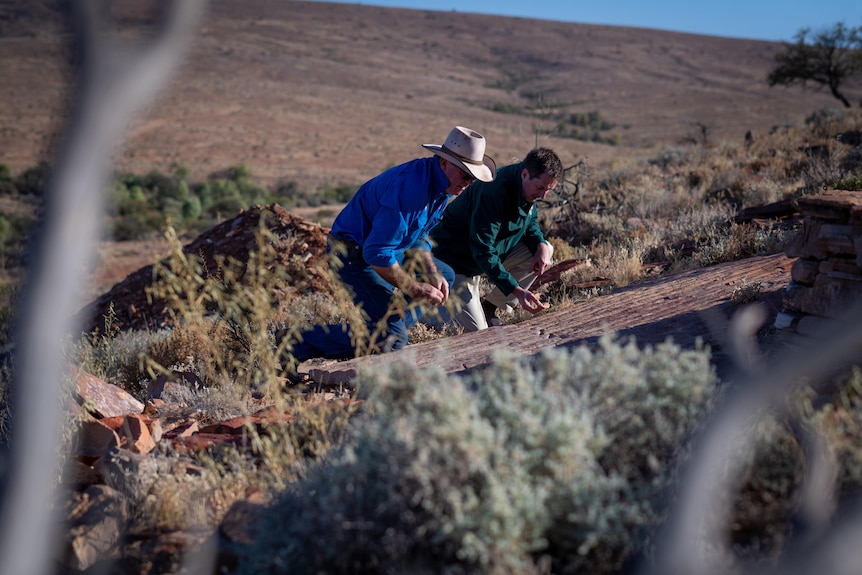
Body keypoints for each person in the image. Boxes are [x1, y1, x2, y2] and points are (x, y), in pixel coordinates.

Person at [284, 125, 497, 362]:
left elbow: (419, 237)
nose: (468, 183)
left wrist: (430, 272)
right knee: (392, 338)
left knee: (443, 275)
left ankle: (385, 330)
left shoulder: (441, 187)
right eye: (466, 175)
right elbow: (377, 253)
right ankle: (295, 342)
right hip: (352, 255)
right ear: (445, 162)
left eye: (473, 178)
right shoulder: (411, 190)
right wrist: (415, 289)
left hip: (386, 249)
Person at [429, 147, 563, 331]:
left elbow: (529, 220)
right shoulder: (494, 192)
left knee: (545, 249)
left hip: (478, 261)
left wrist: (539, 243)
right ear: (525, 174)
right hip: (454, 264)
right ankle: (429, 312)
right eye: (540, 188)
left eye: (548, 190)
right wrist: (515, 289)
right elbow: (482, 249)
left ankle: (489, 308)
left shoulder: (526, 186)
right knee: (478, 333)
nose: (542, 196)